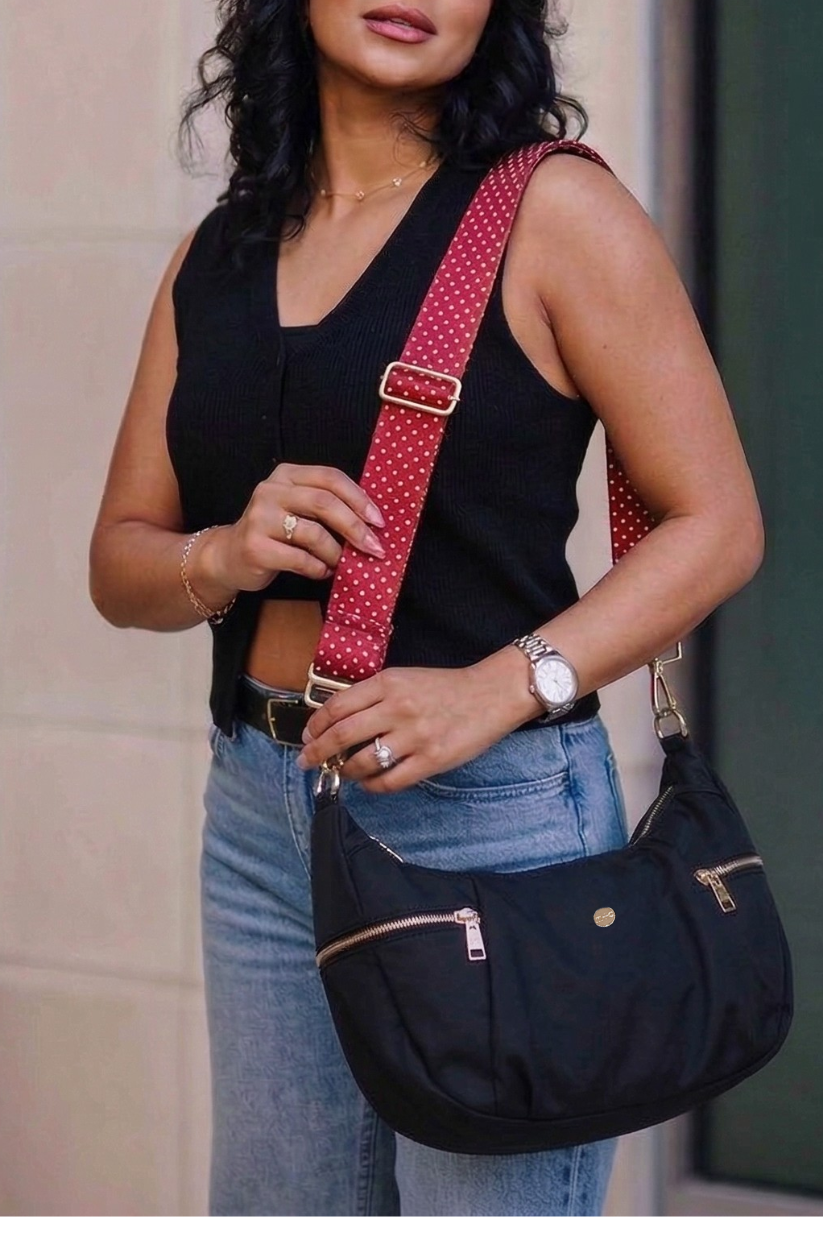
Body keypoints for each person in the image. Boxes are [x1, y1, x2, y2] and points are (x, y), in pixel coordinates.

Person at [88, 0, 764, 1217]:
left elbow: (717, 521)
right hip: (259, 808)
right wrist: (224, 552)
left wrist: (506, 685)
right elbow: (121, 564)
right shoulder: (220, 254)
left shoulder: (553, 213)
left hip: (490, 814)